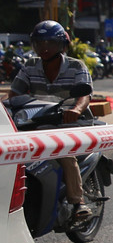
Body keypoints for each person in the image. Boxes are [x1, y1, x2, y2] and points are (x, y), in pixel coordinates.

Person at [7, 21, 93, 220]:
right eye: (39, 43)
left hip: (70, 122)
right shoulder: (30, 66)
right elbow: (14, 94)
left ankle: (78, 202)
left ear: (62, 45)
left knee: (64, 153)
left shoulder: (75, 66)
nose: (44, 48)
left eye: (51, 43)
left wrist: (75, 110)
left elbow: (84, 96)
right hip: (38, 122)